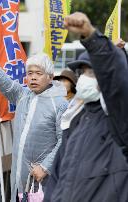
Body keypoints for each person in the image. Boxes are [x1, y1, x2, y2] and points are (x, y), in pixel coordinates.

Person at [0, 42, 68, 201]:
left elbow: (65, 140)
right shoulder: (22, 95)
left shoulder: (60, 104)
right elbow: (0, 78)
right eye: (30, 73)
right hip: (20, 176)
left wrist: (45, 167)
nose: (33, 77)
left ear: (50, 77)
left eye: (38, 73)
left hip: (44, 179)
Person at [47, 12, 128, 202]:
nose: (84, 78)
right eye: (82, 72)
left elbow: (116, 81)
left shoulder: (120, 120)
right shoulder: (75, 119)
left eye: (91, 72)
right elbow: (58, 178)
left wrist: (91, 36)